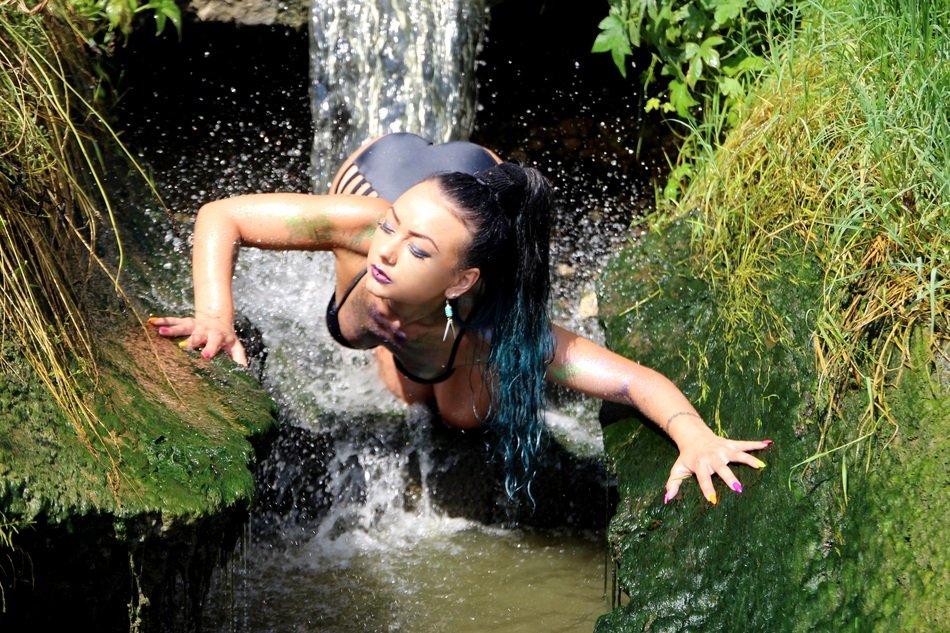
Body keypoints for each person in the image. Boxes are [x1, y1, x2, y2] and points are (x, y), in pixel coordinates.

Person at [149, 132, 771, 503]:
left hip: (476, 183)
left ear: (462, 280)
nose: (388, 251)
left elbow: (634, 380)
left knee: (460, 412)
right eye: (391, 235)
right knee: (405, 384)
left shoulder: (494, 316)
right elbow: (220, 216)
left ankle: (430, 328)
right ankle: (409, 320)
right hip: (380, 168)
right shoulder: (368, 228)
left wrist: (695, 436)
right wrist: (215, 315)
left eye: (416, 249)